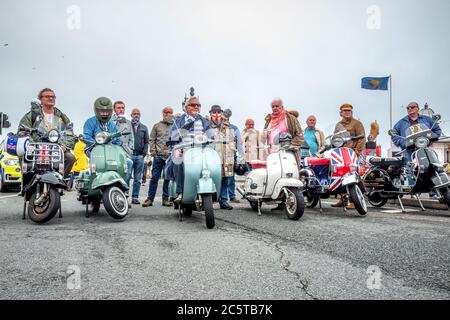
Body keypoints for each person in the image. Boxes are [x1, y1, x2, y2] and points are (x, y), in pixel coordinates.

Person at [18, 88, 76, 178]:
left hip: (56, 148)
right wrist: (31, 143)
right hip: (36, 148)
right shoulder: (32, 115)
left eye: (53, 97)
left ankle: (60, 181)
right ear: (40, 99)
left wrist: (64, 145)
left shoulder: (61, 116)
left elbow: (69, 133)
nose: (51, 98)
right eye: (47, 96)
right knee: (22, 155)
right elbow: (22, 131)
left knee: (70, 158)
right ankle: (26, 184)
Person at [167, 96, 211, 203]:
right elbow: (172, 137)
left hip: (201, 150)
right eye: (193, 105)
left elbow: (211, 135)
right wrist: (176, 149)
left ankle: (211, 191)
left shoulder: (204, 121)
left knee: (213, 164)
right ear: (186, 107)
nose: (196, 107)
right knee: (178, 162)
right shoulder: (178, 122)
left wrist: (212, 141)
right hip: (184, 150)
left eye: (198, 105)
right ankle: (180, 192)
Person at [331, 104, 366, 209]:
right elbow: (335, 139)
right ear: (340, 113)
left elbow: (362, 139)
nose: (347, 113)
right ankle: (343, 199)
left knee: (355, 175)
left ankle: (355, 200)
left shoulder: (357, 123)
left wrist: (357, 152)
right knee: (340, 174)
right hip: (341, 153)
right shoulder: (338, 125)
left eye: (349, 111)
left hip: (353, 153)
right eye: (344, 111)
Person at [142, 107, 174, 207]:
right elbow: (152, 140)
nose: (167, 114)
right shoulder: (157, 126)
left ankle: (165, 199)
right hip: (158, 156)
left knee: (167, 178)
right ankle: (150, 199)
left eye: (170, 112)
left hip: (170, 156)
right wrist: (153, 152)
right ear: (163, 113)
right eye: (166, 112)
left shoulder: (175, 126)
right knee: (154, 178)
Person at [209, 105, 237, 210]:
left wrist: (233, 153)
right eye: (214, 112)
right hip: (213, 156)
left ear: (221, 113)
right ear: (211, 113)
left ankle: (223, 201)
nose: (216, 114)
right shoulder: (207, 125)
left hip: (227, 157)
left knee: (226, 179)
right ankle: (209, 200)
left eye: (218, 112)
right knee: (211, 178)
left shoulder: (228, 126)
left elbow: (232, 141)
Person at [263, 98, 304, 165]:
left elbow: (300, 135)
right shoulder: (269, 120)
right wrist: (263, 136)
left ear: (282, 107)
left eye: (277, 106)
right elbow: (263, 138)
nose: (275, 108)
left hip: (288, 154)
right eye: (273, 107)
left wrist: (291, 146)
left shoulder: (290, 118)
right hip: (271, 156)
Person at [223, 108, 243, 204]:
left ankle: (232, 196)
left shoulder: (234, 128)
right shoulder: (217, 127)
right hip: (219, 155)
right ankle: (220, 197)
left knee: (230, 177)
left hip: (230, 155)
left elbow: (239, 143)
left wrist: (240, 156)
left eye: (227, 116)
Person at [111, 100, 134, 185]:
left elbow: (132, 138)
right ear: (114, 109)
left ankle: (125, 187)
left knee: (129, 164)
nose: (121, 110)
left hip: (125, 151)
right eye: (118, 108)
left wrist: (130, 149)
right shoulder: (109, 121)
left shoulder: (128, 122)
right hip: (112, 151)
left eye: (122, 108)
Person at [129, 108, 149, 205]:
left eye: (138, 114)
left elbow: (146, 142)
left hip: (139, 156)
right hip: (129, 155)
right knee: (127, 177)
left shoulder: (144, 128)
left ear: (140, 115)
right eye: (134, 113)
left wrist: (143, 154)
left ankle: (135, 197)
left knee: (137, 179)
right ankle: (124, 196)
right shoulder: (127, 126)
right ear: (131, 115)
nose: (136, 115)